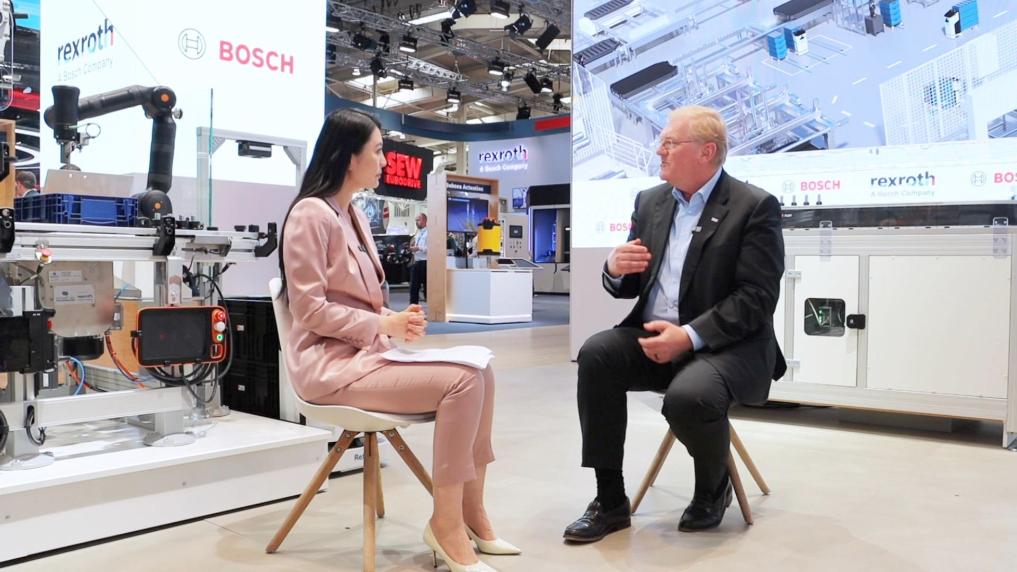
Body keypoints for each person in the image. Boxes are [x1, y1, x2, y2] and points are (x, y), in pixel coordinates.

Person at [279, 109, 517, 572]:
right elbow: (309, 311)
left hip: (368, 357)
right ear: (349, 157)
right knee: (463, 381)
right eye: (377, 151)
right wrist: (381, 325)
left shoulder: (353, 215)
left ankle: (472, 512)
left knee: (481, 369)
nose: (385, 161)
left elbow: (362, 303)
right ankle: (446, 524)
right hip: (331, 369)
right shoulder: (310, 214)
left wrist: (393, 320)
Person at [563, 105, 786, 542]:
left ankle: (713, 488)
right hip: (654, 338)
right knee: (596, 355)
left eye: (669, 142)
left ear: (706, 151)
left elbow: (757, 298)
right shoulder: (650, 201)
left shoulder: (754, 207)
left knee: (689, 398)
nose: (658, 150)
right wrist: (615, 268)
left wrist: (689, 336)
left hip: (727, 347)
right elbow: (630, 285)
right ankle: (609, 501)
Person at [409, 212, 428, 304]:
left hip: (426, 262)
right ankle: (413, 307)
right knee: (414, 286)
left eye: (418, 220)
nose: (416, 222)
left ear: (424, 220)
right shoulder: (418, 233)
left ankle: (432, 307)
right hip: (416, 261)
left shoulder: (429, 233)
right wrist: (413, 248)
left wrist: (419, 248)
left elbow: (431, 249)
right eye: (416, 220)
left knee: (427, 286)